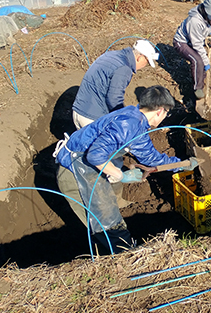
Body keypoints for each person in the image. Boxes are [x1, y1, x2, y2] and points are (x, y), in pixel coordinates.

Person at [54, 86, 196, 253]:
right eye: (167, 113)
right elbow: (95, 157)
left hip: (91, 166)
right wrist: (120, 175)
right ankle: (125, 256)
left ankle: (119, 231)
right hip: (77, 171)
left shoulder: (136, 118)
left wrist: (180, 164)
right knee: (107, 222)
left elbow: (150, 157)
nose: (165, 117)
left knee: (113, 202)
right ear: (160, 111)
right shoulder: (128, 125)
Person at [72, 40, 159, 129]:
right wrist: (125, 120)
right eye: (147, 62)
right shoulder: (124, 68)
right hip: (92, 118)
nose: (145, 65)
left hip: (78, 110)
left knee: (82, 141)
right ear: (140, 57)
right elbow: (114, 100)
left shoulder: (111, 55)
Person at [173, 0, 211, 100]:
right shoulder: (194, 21)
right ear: (205, 11)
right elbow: (196, 45)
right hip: (182, 42)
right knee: (198, 61)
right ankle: (197, 88)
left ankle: (201, 80)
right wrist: (206, 62)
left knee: (201, 62)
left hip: (194, 41)